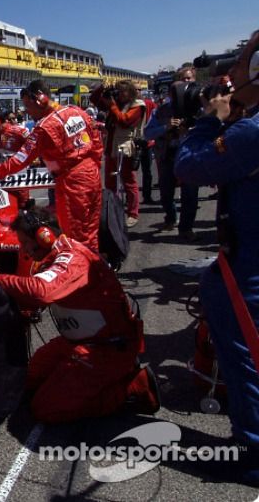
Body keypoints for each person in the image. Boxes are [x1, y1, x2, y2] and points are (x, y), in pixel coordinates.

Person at [0, 208, 158, 423]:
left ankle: (134, 386)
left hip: (106, 347)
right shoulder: (53, 255)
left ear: (44, 236)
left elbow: (42, 291)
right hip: (78, 340)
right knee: (29, 380)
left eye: (25, 242)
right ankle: (102, 378)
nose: (24, 250)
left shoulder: (73, 259)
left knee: (45, 409)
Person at [175, 30, 259, 483]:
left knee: (246, 354)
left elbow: (187, 167)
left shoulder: (250, 132)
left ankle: (253, 453)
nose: (230, 75)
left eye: (242, 61)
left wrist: (212, 120)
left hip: (250, 265)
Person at [0, 80, 103, 251]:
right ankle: (96, 270)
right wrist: (95, 166)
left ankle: (81, 274)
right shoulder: (77, 111)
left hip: (71, 182)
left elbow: (18, 161)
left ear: (40, 99)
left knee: (75, 237)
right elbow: (96, 139)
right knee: (91, 231)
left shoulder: (45, 127)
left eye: (28, 106)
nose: (27, 112)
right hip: (92, 174)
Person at [144, 67, 201, 240]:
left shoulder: (200, 106)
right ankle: (170, 217)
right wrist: (165, 127)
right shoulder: (161, 110)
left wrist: (192, 130)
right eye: (182, 80)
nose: (186, 83)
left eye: (189, 79)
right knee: (166, 193)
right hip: (168, 155)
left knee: (190, 193)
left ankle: (186, 228)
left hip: (190, 155)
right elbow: (148, 133)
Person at [92, 80, 146, 227]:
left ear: (131, 92)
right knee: (110, 182)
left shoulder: (138, 105)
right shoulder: (115, 103)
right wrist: (103, 88)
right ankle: (113, 210)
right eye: (118, 91)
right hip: (111, 146)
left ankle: (133, 213)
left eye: (124, 91)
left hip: (125, 147)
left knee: (128, 181)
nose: (120, 95)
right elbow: (95, 100)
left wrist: (112, 105)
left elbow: (125, 121)